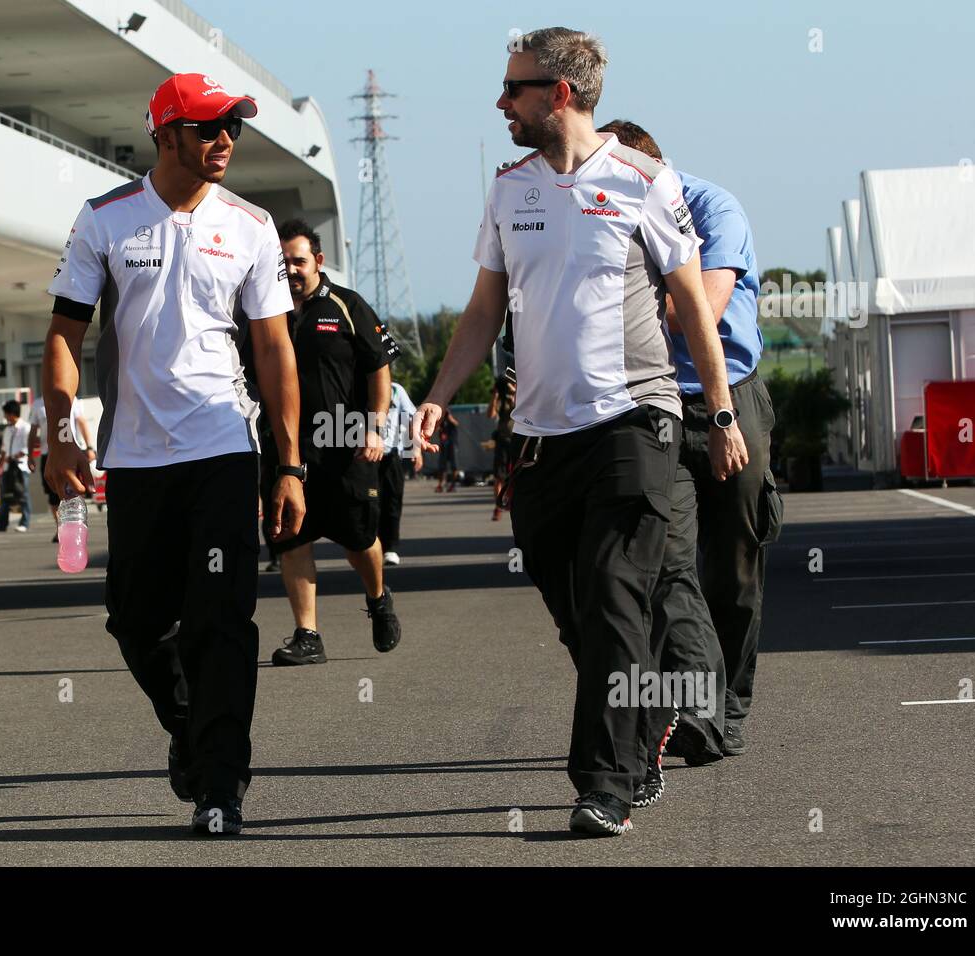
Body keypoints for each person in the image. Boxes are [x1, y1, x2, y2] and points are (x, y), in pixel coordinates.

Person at [413, 27, 746, 837]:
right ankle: (643, 728)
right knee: (576, 609)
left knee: (612, 593)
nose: (501, 102)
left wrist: (723, 411)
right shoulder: (506, 190)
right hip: (541, 435)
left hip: (636, 417)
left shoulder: (644, 182)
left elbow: (693, 303)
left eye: (514, 88)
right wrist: (437, 395)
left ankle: (604, 785)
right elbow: (485, 308)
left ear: (559, 94)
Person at [43, 72, 304, 836]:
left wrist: (288, 465)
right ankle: (191, 733)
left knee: (220, 623)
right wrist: (61, 431)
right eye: (208, 127)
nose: (226, 140)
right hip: (133, 460)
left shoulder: (252, 225)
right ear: (164, 134)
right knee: (136, 621)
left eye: (234, 128)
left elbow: (275, 352)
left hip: (224, 451)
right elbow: (64, 336)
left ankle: (221, 784)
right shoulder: (105, 220)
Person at [598, 120, 783, 773]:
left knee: (734, 565)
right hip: (655, 406)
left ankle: (730, 704)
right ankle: (696, 712)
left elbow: (694, 309)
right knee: (666, 562)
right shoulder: (610, 218)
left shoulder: (713, 208)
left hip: (728, 399)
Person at [262, 218, 403, 667]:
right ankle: (308, 635)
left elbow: (378, 367)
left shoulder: (347, 305)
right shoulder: (266, 311)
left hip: (344, 441)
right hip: (287, 448)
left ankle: (378, 599)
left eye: (298, 261)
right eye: (283, 263)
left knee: (358, 540)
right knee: (291, 538)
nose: (291, 270)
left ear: (318, 261)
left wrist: (376, 426)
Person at [27, 393, 96, 542]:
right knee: (53, 494)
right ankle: (60, 528)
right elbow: (33, 431)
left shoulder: (71, 398)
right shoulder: (38, 404)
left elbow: (81, 422)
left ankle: (76, 527)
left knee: (73, 492)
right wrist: (30, 455)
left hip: (70, 451)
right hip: (48, 454)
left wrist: (89, 446)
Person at [379, 379, 421, 566]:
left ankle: (390, 548)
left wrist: (416, 449)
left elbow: (412, 418)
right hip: (364, 456)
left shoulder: (396, 390)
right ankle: (373, 543)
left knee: (392, 502)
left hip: (391, 455)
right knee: (370, 503)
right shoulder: (356, 384)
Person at [0, 399, 31, 533]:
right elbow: (4, 449)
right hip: (7, 466)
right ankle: (1, 525)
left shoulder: (25, 428)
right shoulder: (7, 430)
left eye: (6, 414)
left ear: (12, 413)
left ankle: (25, 522)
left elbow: (27, 448)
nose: (5, 417)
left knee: (23, 495)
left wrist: (14, 457)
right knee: (5, 497)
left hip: (20, 466)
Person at [487, 366, 517, 520]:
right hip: (503, 440)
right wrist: (495, 395)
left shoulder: (518, 395)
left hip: (517, 440)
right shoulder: (501, 399)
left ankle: (515, 504)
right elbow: (490, 414)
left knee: (516, 476)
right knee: (499, 476)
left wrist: (514, 391)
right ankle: (498, 506)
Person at [433, 409, 460, 492]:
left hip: (452, 445)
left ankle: (453, 484)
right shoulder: (441, 421)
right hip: (444, 445)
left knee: (454, 466)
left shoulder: (451, 420)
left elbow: (456, 423)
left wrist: (450, 418)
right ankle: (440, 485)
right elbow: (436, 429)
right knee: (442, 466)